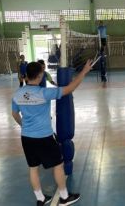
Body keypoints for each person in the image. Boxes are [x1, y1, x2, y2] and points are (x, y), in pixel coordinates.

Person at [11, 60, 93, 206]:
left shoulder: (17, 94)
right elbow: (69, 88)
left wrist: (24, 126)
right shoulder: (44, 93)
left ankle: (41, 199)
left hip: (26, 138)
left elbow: (14, 114)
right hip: (44, 137)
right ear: (39, 75)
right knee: (58, 165)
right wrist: (84, 71)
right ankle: (64, 197)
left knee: (33, 168)